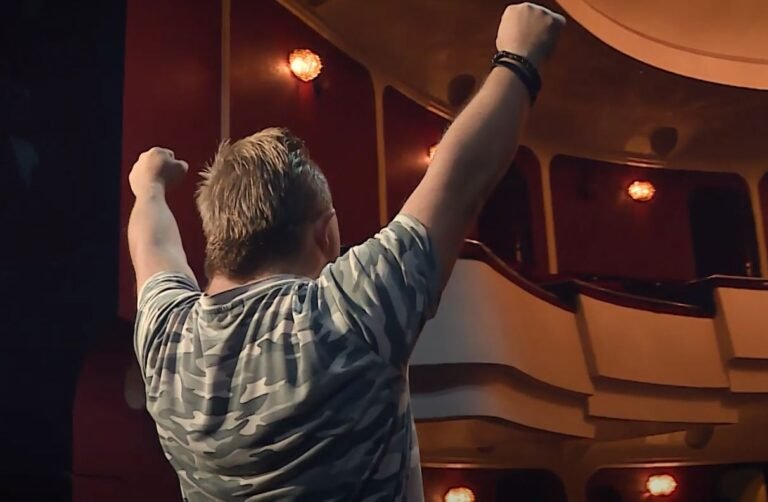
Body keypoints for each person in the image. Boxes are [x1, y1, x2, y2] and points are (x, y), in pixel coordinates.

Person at [127, 3, 564, 500]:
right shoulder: (343, 315)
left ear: (219, 235)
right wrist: (519, 60)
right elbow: (460, 182)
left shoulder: (167, 341)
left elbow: (152, 244)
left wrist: (148, 187)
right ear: (327, 234)